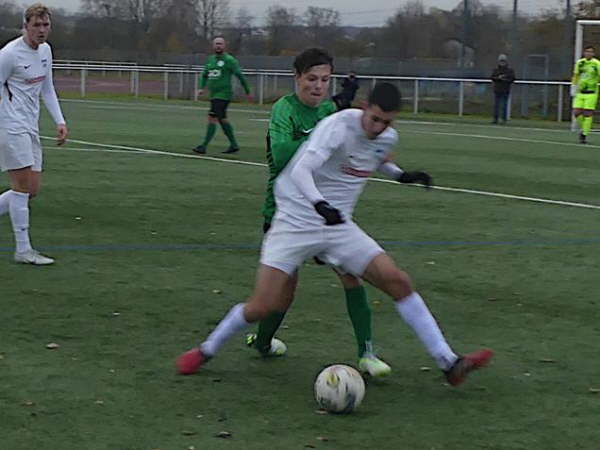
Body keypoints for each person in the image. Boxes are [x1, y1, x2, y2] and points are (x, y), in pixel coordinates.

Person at [177, 83, 493, 387]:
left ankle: (449, 363)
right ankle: (206, 350)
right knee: (261, 306)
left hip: (337, 227)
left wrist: (402, 175)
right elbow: (301, 170)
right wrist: (319, 204)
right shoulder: (337, 127)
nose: (379, 127)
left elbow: (378, 157)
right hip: (295, 221)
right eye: (375, 118)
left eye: (387, 122)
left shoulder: (386, 136)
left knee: (398, 280)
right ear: (364, 108)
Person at [246, 48, 390, 377]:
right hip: (287, 211)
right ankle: (264, 342)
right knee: (283, 292)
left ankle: (367, 354)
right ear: (297, 78)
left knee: (350, 276)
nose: (318, 86)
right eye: (311, 79)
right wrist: (320, 137)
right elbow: (281, 155)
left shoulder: (329, 109)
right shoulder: (285, 110)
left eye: (325, 80)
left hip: (326, 211)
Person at [0, 3, 68, 265]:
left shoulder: (46, 51)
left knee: (32, 189)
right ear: (25, 26)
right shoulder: (9, 55)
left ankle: (24, 249)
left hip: (31, 126)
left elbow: (47, 89)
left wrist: (59, 121)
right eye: (36, 25)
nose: (41, 30)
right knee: (21, 186)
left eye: (46, 25)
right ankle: (23, 249)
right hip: (10, 125)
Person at [193, 37, 251, 155]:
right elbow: (204, 75)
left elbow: (240, 75)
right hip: (214, 95)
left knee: (213, 117)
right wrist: (201, 87)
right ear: (213, 46)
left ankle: (203, 146)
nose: (218, 46)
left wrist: (247, 91)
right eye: (216, 44)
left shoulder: (229, 60)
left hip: (224, 95)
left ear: (224, 46)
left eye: (220, 44)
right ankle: (234, 145)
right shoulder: (211, 60)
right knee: (221, 118)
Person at [571, 45, 600, 144]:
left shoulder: (596, 64)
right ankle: (584, 128)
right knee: (576, 112)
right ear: (584, 53)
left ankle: (584, 134)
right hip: (580, 92)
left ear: (593, 53)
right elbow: (576, 75)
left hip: (591, 93)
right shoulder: (580, 63)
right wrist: (573, 86)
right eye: (587, 51)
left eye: (591, 52)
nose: (589, 53)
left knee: (588, 114)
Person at [490, 54, 515, 124]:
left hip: (505, 90)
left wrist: (504, 79)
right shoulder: (496, 70)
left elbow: (512, 79)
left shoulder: (509, 70)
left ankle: (504, 119)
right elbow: (492, 77)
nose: (502, 62)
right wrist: (498, 78)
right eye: (501, 61)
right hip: (497, 90)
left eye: (503, 61)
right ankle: (495, 119)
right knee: (496, 106)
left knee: (504, 106)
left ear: (506, 61)